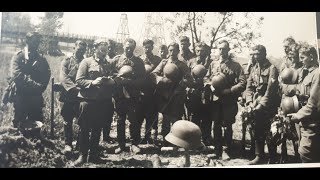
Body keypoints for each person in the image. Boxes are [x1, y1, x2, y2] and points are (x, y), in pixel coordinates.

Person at [74, 39, 115, 165]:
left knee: (97, 128)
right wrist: (92, 82)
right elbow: (79, 80)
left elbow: (113, 78)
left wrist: (111, 81)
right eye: (102, 50)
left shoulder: (108, 64)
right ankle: (82, 155)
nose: (104, 52)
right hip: (87, 101)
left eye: (106, 50)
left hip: (102, 102)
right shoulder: (86, 62)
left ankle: (93, 155)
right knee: (84, 129)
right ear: (95, 49)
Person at [204, 40, 246, 159]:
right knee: (216, 125)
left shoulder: (236, 66)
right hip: (216, 100)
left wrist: (230, 91)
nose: (221, 51)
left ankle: (227, 150)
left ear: (228, 50)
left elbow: (242, 82)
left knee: (227, 126)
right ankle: (217, 150)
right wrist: (210, 86)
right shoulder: (213, 64)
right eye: (220, 49)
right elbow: (206, 78)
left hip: (229, 101)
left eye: (224, 49)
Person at [151, 42, 194, 145]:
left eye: (174, 50)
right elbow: (154, 73)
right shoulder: (164, 62)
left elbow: (189, 79)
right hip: (165, 94)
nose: (171, 53)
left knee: (176, 118)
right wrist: (160, 79)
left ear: (178, 52)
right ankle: (165, 140)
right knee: (165, 117)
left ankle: (177, 140)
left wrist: (182, 84)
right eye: (170, 50)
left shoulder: (182, 65)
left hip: (177, 95)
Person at [245, 45, 281, 165]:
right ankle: (259, 156)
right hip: (256, 104)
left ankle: (272, 158)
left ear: (264, 54)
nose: (255, 56)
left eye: (257, 54)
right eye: (253, 54)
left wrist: (261, 105)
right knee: (257, 130)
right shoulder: (254, 68)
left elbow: (270, 91)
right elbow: (249, 87)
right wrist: (249, 102)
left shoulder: (272, 69)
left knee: (270, 132)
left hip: (268, 106)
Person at [10, 31, 51, 132]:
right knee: (19, 123)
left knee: (37, 123)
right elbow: (17, 75)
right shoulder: (19, 56)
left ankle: (35, 144)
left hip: (35, 96)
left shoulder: (41, 59)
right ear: (27, 41)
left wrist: (41, 87)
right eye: (33, 41)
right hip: (21, 95)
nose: (36, 44)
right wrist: (35, 85)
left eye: (37, 42)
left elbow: (47, 74)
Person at [111, 38, 146, 154]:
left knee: (134, 120)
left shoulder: (139, 62)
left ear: (134, 48)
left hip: (133, 95)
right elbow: (110, 75)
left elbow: (143, 79)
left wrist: (131, 82)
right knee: (120, 120)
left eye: (131, 48)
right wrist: (118, 79)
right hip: (119, 95)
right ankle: (121, 144)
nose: (128, 49)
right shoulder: (116, 60)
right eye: (127, 47)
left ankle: (134, 144)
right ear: (123, 46)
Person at [286, 44, 320, 163]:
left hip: (312, 124)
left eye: (302, 58)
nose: (300, 61)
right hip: (305, 122)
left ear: (311, 57)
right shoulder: (307, 74)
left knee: (306, 154)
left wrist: (298, 115)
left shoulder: (318, 74)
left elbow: (314, 102)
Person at [59, 40, 87, 152]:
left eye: (83, 50)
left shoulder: (87, 62)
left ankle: (80, 144)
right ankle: (68, 144)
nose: (81, 51)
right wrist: (75, 89)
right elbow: (63, 78)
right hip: (69, 95)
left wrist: (82, 89)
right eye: (79, 49)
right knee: (67, 120)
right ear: (74, 48)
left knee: (83, 121)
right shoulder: (66, 61)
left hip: (82, 96)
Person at [186, 42, 213, 145]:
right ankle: (194, 138)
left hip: (206, 92)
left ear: (206, 51)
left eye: (202, 50)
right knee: (194, 116)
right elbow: (187, 76)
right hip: (194, 93)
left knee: (207, 116)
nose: (199, 53)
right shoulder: (191, 62)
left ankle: (206, 138)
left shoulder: (211, 62)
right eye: (197, 50)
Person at [138, 39, 162, 144]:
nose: (147, 49)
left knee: (151, 115)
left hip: (152, 91)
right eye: (145, 47)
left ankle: (148, 136)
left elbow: (161, 73)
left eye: (149, 47)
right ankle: (137, 137)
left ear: (152, 48)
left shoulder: (157, 60)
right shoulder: (139, 60)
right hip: (140, 91)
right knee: (139, 115)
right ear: (143, 48)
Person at [102, 39, 117, 143]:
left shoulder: (117, 59)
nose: (109, 49)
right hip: (101, 89)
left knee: (108, 113)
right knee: (99, 113)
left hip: (112, 90)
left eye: (111, 47)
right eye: (108, 47)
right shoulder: (103, 58)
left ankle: (106, 136)